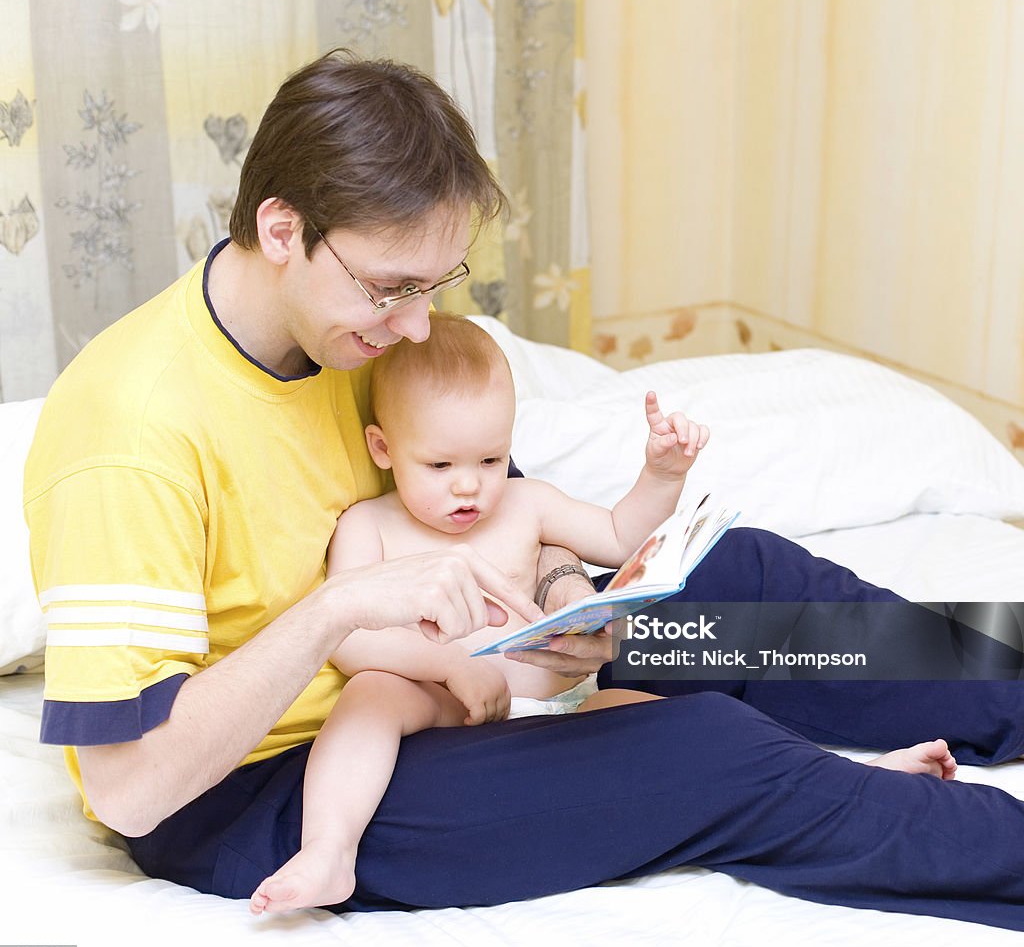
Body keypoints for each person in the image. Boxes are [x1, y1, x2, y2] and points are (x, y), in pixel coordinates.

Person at [23, 50, 1024, 933]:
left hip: (465, 672)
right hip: (279, 781)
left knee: (740, 576)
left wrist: (556, 589)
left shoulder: (342, 332)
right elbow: (132, 789)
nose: (414, 326)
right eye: (390, 288)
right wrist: (334, 614)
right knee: (702, 751)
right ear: (282, 227)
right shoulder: (132, 431)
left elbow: (479, 488)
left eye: (434, 285)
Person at [249, 312, 957, 915]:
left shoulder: (525, 506)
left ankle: (855, 775)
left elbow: (621, 537)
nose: (469, 486)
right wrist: (446, 668)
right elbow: (347, 642)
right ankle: (328, 850)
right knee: (372, 697)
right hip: (438, 714)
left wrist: (661, 476)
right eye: (439, 467)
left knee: (698, 727)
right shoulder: (368, 526)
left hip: (564, 709)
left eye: (491, 459)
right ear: (383, 449)